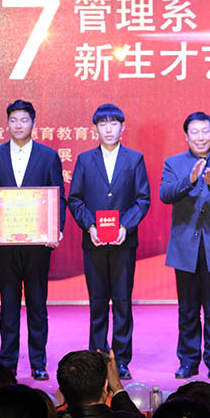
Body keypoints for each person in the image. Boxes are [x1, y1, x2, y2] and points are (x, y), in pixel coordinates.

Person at [0, 99, 66, 381]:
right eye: (13, 120)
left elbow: (58, 196)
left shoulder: (48, 156)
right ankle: (7, 363)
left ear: (33, 123)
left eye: (24, 120)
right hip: (4, 244)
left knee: (37, 303)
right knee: (9, 303)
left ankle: (38, 362)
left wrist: (56, 229)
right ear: (7, 123)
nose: (18, 125)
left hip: (38, 244)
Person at [68, 103, 151, 380]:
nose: (108, 129)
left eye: (113, 123)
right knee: (98, 302)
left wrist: (125, 226)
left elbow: (143, 199)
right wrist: (90, 225)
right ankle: (97, 356)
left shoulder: (134, 159)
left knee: (123, 303)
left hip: (123, 243)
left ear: (122, 127)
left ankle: (121, 359)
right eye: (102, 124)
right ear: (95, 129)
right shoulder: (85, 160)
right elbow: (75, 199)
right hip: (94, 242)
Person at [160, 111, 210, 379]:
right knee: (188, 309)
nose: (200, 137)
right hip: (185, 248)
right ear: (186, 136)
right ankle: (188, 360)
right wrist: (191, 179)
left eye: (205, 131)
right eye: (194, 132)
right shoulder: (173, 163)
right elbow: (165, 194)